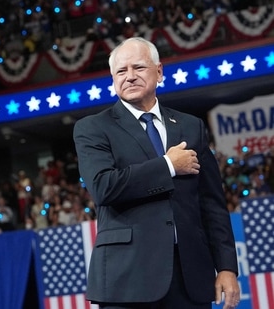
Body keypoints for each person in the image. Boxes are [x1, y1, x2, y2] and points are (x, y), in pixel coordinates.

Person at [73, 37, 240, 309]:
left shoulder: (191, 126)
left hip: (190, 278)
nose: (129, 77)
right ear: (113, 79)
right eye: (121, 71)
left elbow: (212, 204)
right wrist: (169, 165)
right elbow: (104, 187)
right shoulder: (92, 128)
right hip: (127, 280)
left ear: (159, 72)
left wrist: (226, 268)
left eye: (138, 68)